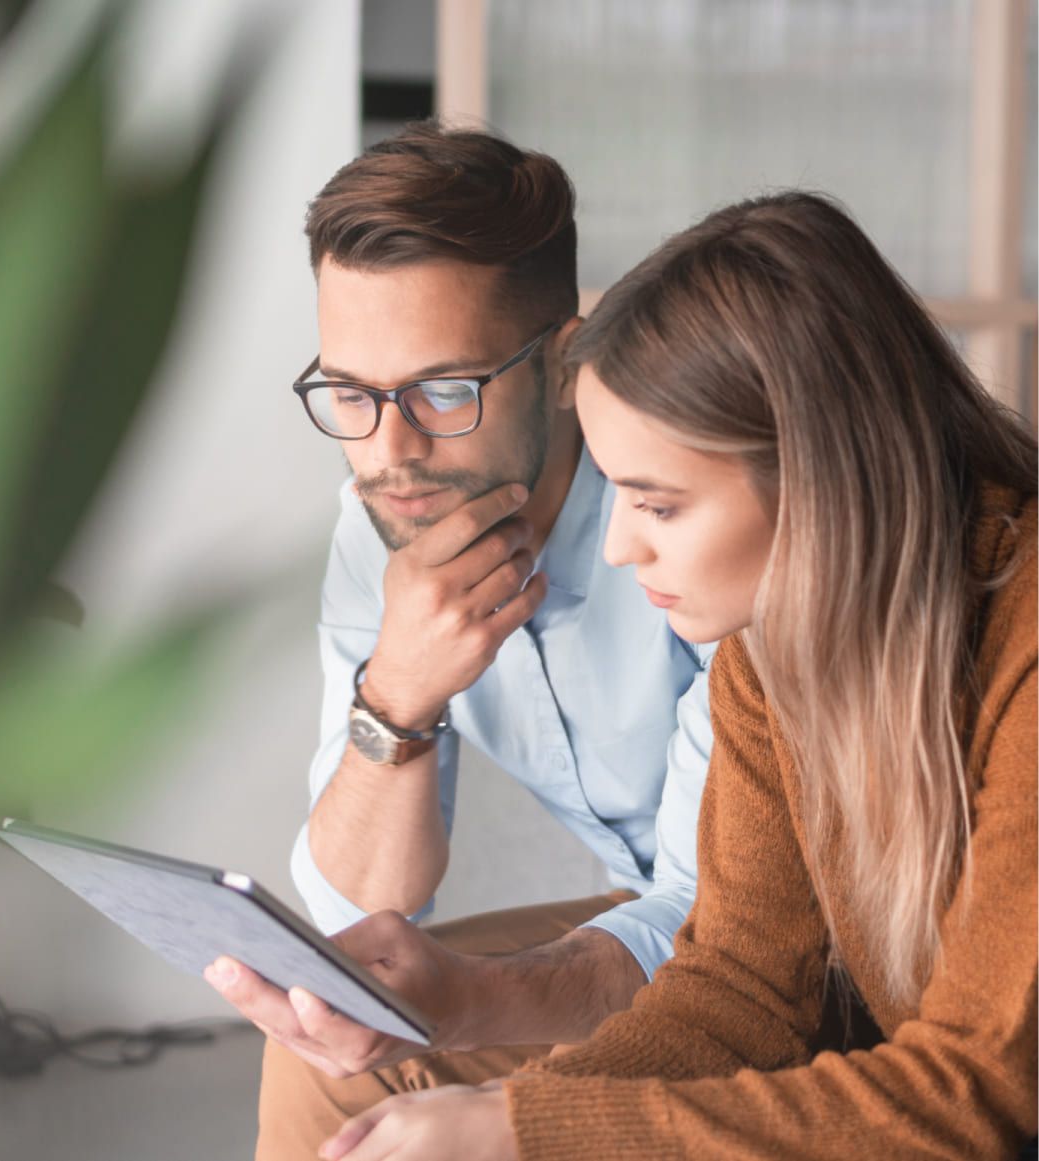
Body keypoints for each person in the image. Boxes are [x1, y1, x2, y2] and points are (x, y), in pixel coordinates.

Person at [315, 190, 1038, 1161]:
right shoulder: (766, 662)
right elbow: (734, 990)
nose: (617, 548)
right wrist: (519, 1115)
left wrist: (521, 1129)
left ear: (821, 478)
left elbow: (979, 1092)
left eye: (657, 506)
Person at [203, 122, 716, 1160]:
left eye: (443, 391)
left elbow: (743, 922)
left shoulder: (688, 513)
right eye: (350, 393)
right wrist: (396, 694)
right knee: (331, 1028)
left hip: (817, 931)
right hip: (664, 907)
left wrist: (473, 1000)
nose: (388, 451)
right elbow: (360, 912)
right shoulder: (384, 524)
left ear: (563, 363)